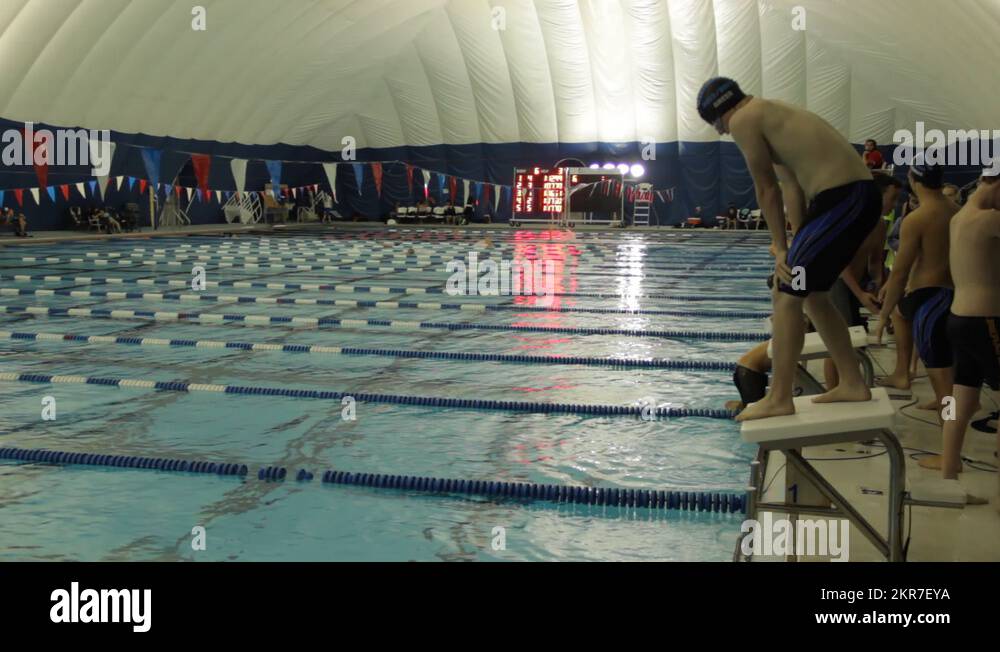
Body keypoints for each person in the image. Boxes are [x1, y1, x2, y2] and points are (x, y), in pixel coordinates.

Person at [696, 77, 880, 421]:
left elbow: (766, 189)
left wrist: (780, 248)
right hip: (848, 198)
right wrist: (794, 243)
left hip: (844, 199)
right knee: (811, 293)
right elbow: (790, 186)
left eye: (717, 125)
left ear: (722, 113)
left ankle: (780, 396)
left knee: (785, 292)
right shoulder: (769, 114)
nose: (723, 133)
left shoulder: (744, 119)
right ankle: (852, 382)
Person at [875, 162, 958, 417]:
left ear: (913, 181)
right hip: (954, 295)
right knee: (948, 374)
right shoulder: (958, 211)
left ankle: (950, 451)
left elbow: (900, 273)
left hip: (928, 299)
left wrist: (882, 315)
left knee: (942, 382)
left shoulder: (917, 219)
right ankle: (948, 411)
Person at [933, 168, 1000, 485]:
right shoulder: (989, 220)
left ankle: (948, 474)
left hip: (958, 318)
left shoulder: (959, 218)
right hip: (986, 320)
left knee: (960, 402)